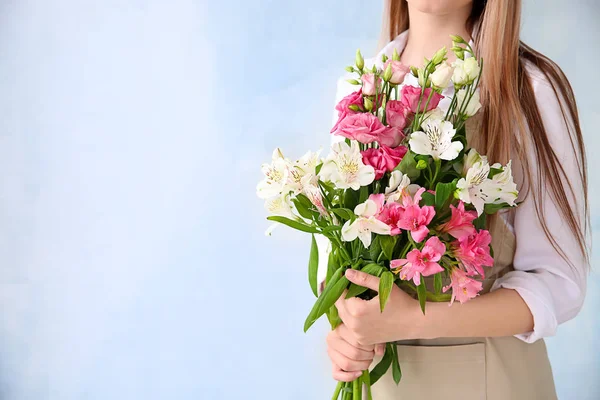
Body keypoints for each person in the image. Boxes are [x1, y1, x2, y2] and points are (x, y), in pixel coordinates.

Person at [321, 0, 590, 398]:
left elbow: (559, 284)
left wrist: (413, 320)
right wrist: (345, 332)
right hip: (381, 383)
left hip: (491, 381)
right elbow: (345, 252)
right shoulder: (360, 87)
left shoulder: (529, 89)